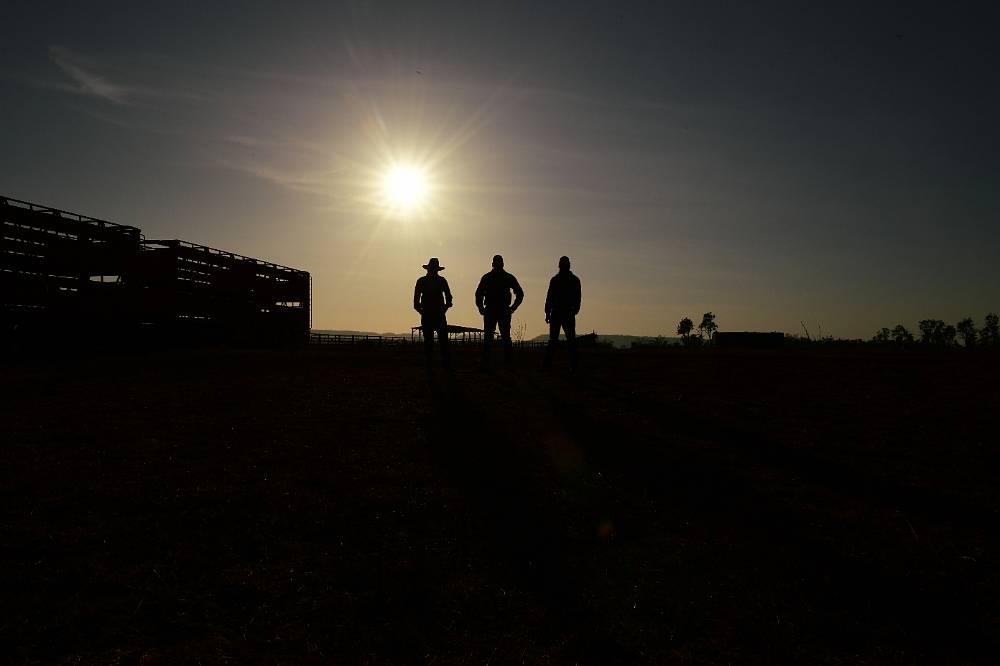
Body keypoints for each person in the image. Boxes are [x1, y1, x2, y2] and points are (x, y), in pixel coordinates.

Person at [475, 254, 524, 366]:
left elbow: (479, 294)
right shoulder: (506, 277)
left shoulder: (489, 277)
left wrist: (481, 308)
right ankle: (504, 362)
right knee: (500, 337)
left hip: (497, 310)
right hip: (498, 310)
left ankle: (490, 362)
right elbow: (479, 294)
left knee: (494, 337)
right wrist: (513, 307)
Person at [543, 256, 581, 371]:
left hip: (562, 312)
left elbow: (549, 297)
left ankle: (549, 364)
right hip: (564, 312)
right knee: (568, 340)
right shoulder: (572, 280)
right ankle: (571, 365)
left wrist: (547, 312)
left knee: (559, 340)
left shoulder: (557, 280)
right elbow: (577, 297)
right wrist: (548, 312)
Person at [413, 257, 452, 370]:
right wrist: (443, 310)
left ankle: (431, 365)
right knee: (442, 342)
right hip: (437, 315)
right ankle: (444, 365)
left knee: (429, 342)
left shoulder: (421, 281)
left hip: (429, 315)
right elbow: (449, 299)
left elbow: (416, 303)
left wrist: (423, 313)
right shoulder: (441, 281)